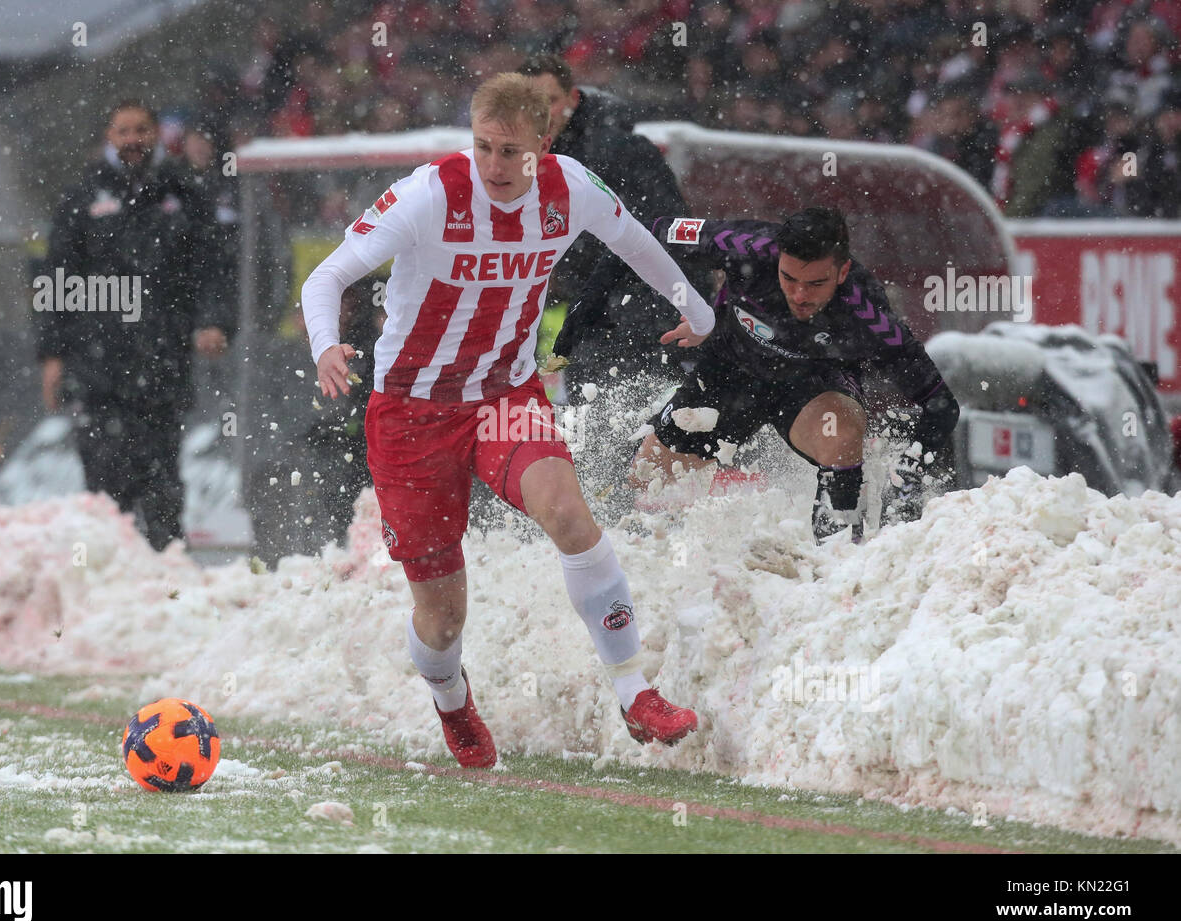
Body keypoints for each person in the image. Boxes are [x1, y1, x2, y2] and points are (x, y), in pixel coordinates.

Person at [300, 74, 716, 768]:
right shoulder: (429, 195)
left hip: (504, 397)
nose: (495, 166)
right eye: (484, 148)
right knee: (442, 616)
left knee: (570, 515)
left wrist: (697, 310)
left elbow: (638, 243)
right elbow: (325, 278)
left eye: (512, 152)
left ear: (544, 146)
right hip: (410, 412)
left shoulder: (571, 187)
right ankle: (451, 699)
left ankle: (635, 689)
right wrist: (324, 346)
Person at [555, 207, 960, 544]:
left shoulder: (868, 311)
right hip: (729, 372)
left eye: (816, 284)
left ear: (842, 272)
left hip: (813, 387)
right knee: (646, 476)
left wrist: (905, 482)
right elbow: (641, 232)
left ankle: (838, 561)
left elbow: (941, 406)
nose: (800, 295)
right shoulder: (746, 244)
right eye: (789, 279)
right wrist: (590, 300)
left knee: (841, 435)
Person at [37, 99, 234, 551]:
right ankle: (109, 575)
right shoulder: (82, 197)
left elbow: (213, 268)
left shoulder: (183, 193)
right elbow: (54, 280)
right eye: (123, 130)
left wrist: (212, 323)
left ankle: (167, 577)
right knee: (106, 486)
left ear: (156, 135)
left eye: (141, 130)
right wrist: (51, 356)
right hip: (97, 366)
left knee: (163, 479)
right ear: (109, 136)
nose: (133, 140)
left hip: (163, 362)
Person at [517, 53, 695, 393]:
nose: (540, 112)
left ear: (572, 98)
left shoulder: (620, 149)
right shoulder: (525, 158)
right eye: (529, 103)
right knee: (594, 417)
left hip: (638, 309)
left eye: (549, 101)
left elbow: (669, 228)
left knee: (636, 417)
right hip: (590, 311)